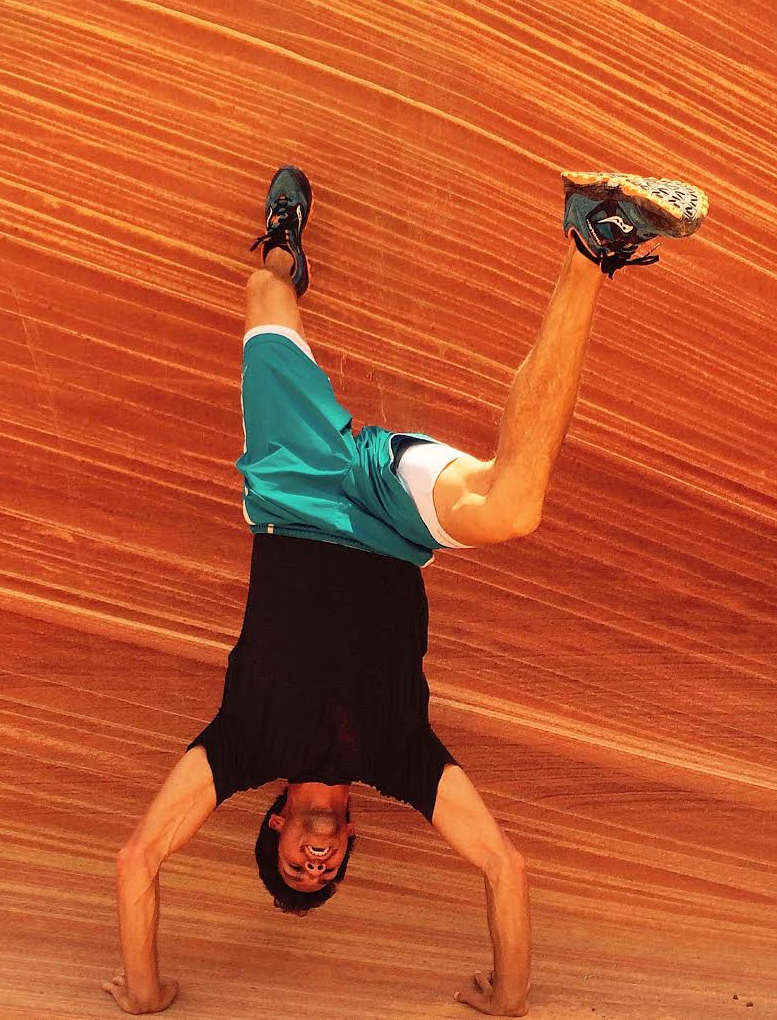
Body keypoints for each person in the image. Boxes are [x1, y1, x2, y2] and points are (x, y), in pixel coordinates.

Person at [103, 166, 707, 1016]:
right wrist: (510, 998)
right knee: (514, 509)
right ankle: (590, 243)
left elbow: (138, 861)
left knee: (262, 295)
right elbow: (505, 867)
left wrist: (145, 995)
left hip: (294, 489)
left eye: (295, 868)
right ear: (348, 842)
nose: (315, 866)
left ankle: (284, 243)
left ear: (275, 827)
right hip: (392, 516)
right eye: (328, 872)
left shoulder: (239, 748)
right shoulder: (400, 758)